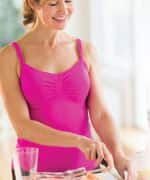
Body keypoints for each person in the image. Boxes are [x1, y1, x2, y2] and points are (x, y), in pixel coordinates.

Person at [0, 0, 134, 179]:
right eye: (54, 3)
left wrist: (118, 154)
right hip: (35, 174)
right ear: (33, 3)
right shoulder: (10, 57)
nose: (64, 10)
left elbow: (100, 113)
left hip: (85, 172)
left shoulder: (85, 50)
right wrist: (78, 141)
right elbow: (23, 126)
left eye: (68, 1)